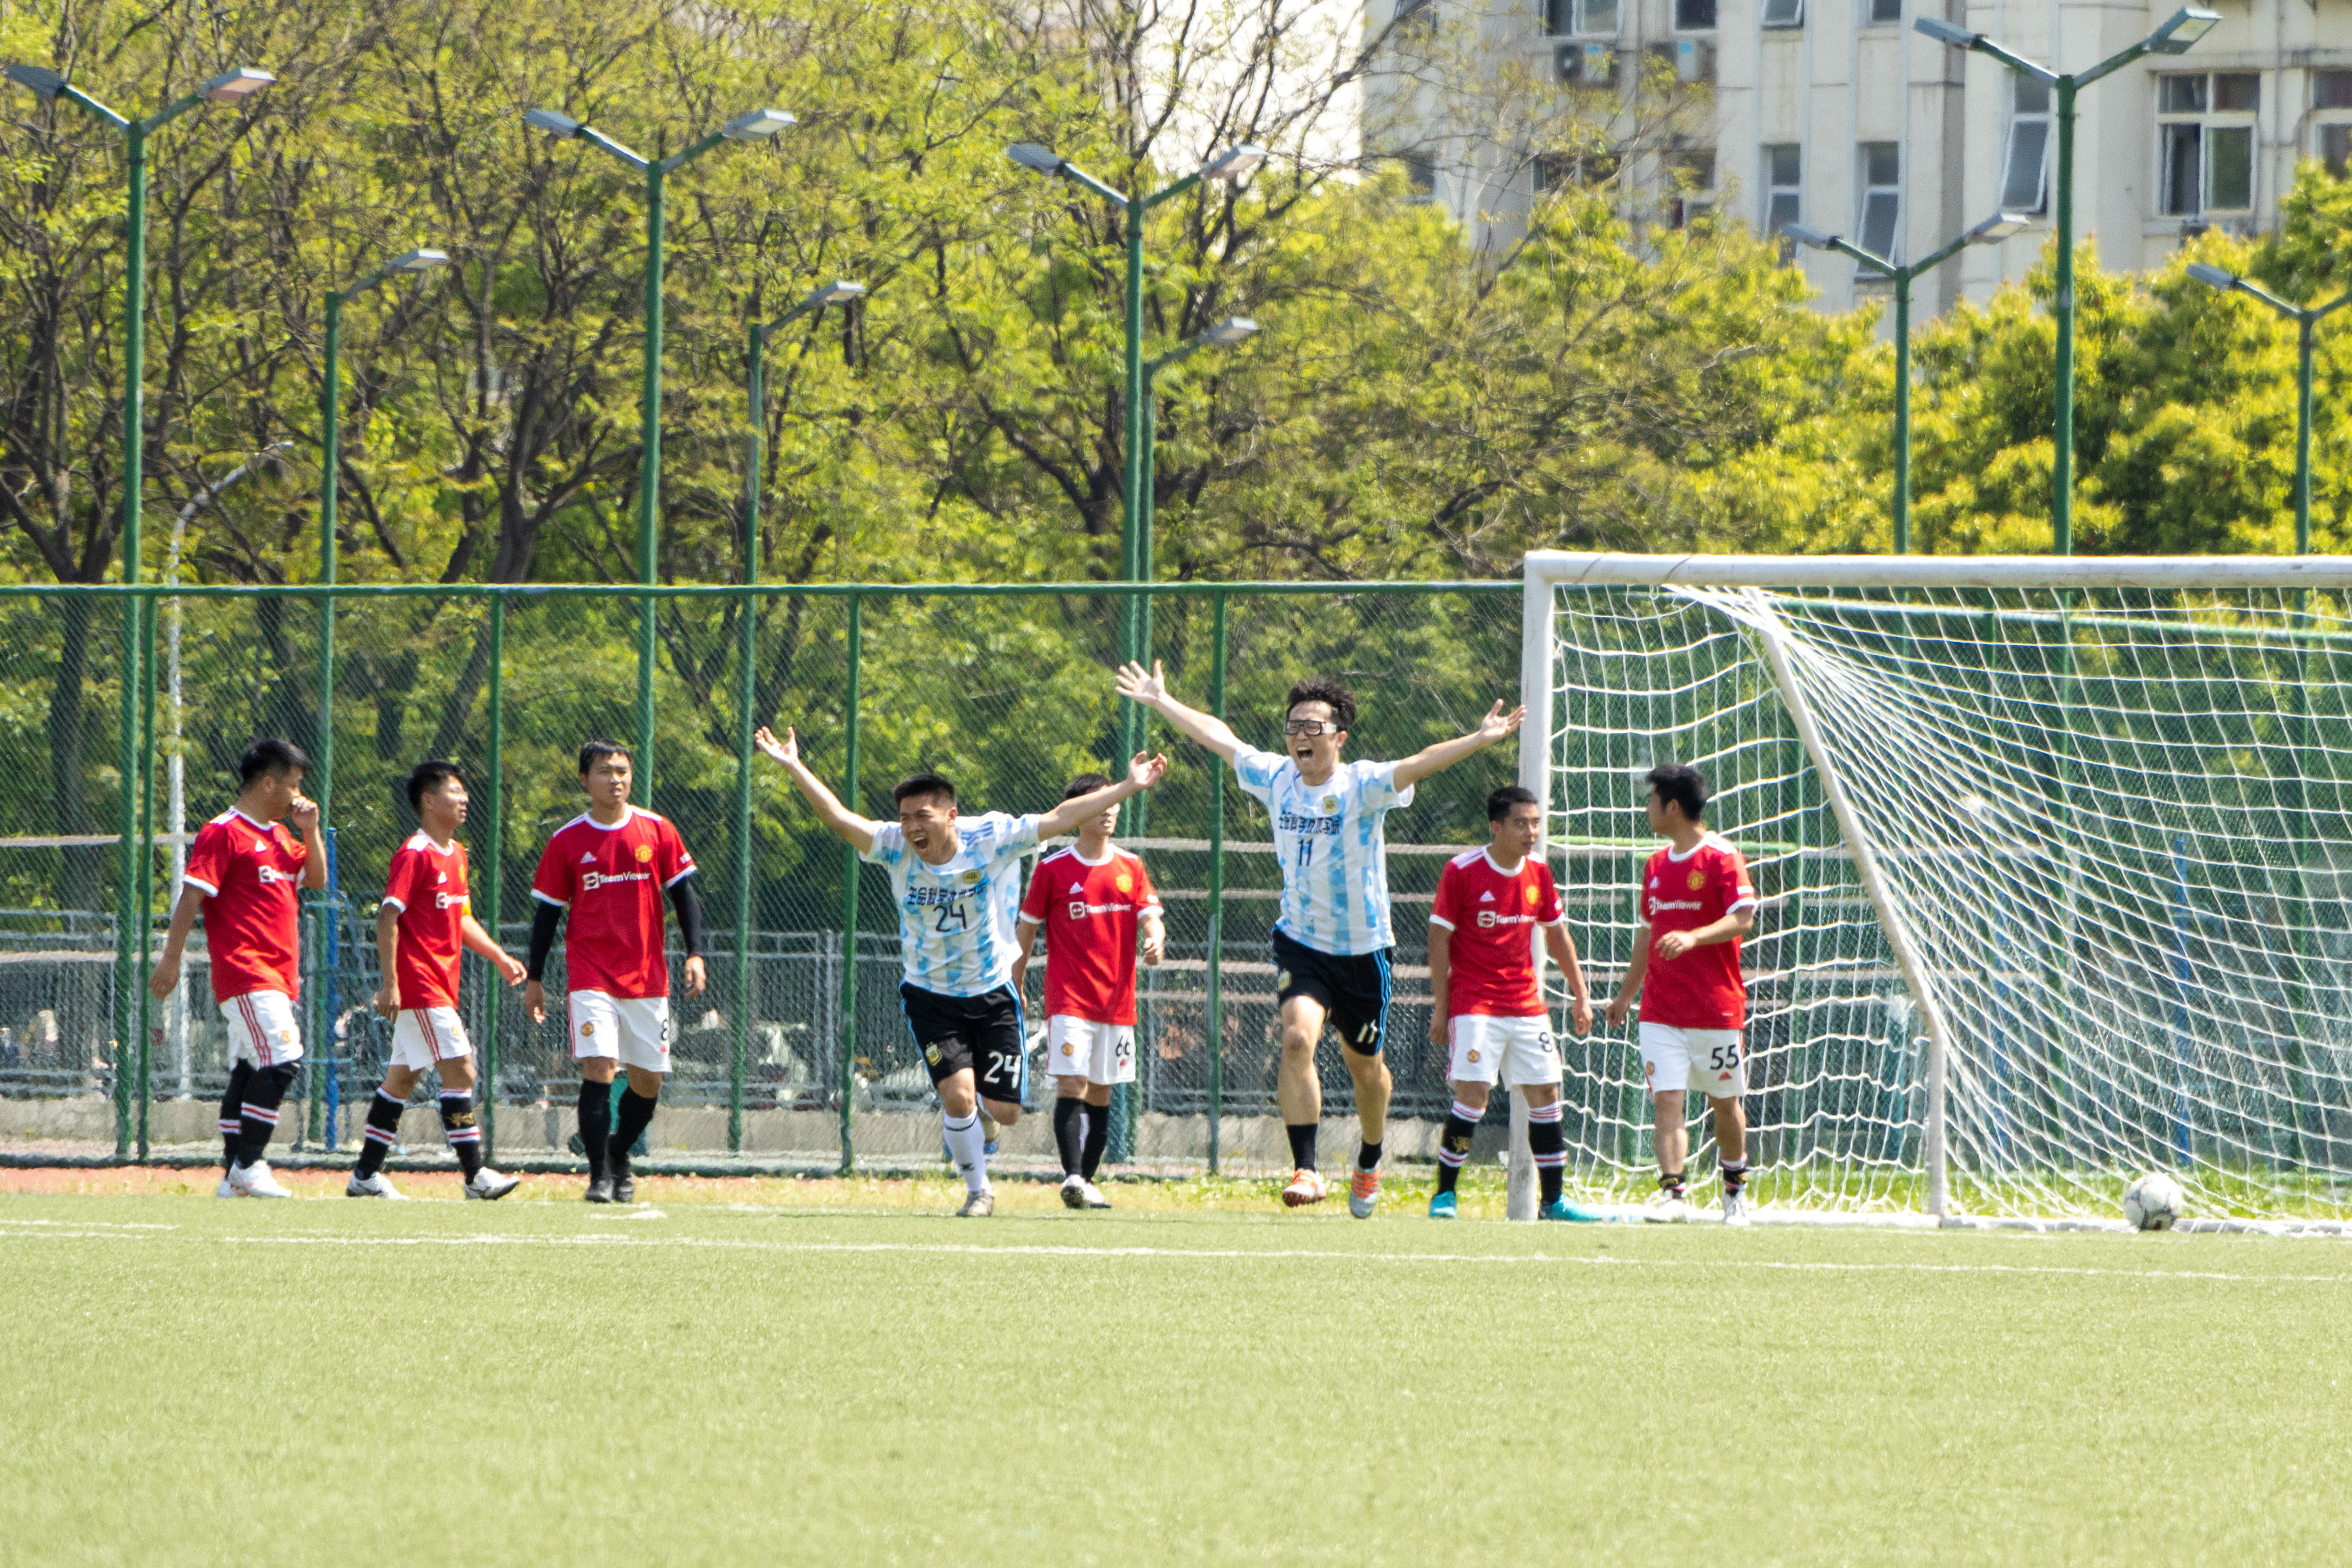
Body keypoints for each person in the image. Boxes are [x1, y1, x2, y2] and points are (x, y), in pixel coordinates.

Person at [1114, 660, 1523, 1217]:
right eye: (1293, 726)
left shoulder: (1363, 784)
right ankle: (1305, 1167)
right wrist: (1162, 701)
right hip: (1301, 942)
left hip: (1363, 951)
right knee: (1296, 1040)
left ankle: (1370, 1156)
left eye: (1313, 727)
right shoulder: (1276, 777)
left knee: (1366, 1069)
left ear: (1339, 737)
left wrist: (1479, 738)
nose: (1300, 736)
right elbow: (1223, 739)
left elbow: (1417, 764)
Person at [757, 725, 1165, 1217]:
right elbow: (839, 817)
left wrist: (1128, 786)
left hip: (992, 990)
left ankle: (981, 1128)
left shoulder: (991, 837)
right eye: (904, 817)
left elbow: (1061, 817)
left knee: (1004, 1112)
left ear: (951, 815)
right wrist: (794, 766)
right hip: (930, 995)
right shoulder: (894, 846)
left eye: (921, 816)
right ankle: (979, 1190)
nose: (910, 827)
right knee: (957, 1095)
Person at [524, 741, 707, 1204]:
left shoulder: (657, 830)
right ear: (585, 779)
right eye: (605, 771)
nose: (616, 779)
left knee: (648, 1083)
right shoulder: (567, 840)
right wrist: (536, 977)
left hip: (647, 976)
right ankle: (598, 1176)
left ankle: (617, 1151)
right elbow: (546, 914)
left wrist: (695, 952)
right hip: (591, 974)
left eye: (623, 770)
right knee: (599, 1069)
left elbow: (684, 894)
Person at [147, 738, 328, 1199]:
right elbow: (192, 897)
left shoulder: (282, 836)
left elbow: (318, 880)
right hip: (248, 971)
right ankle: (249, 1163)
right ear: (268, 783)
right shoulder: (224, 831)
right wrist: (171, 958)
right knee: (284, 1058)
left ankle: (232, 1176)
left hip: (281, 975)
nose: (297, 794)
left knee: (249, 1069)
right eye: (292, 785)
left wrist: (311, 830)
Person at [347, 761, 528, 1201]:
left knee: (401, 1082)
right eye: (454, 791)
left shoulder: (458, 854)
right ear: (428, 800)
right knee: (462, 1071)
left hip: (439, 986)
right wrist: (391, 983)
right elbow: (389, 916)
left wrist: (499, 955)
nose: (464, 798)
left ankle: (365, 1176)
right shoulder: (415, 853)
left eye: (464, 792)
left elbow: (461, 918)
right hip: (421, 985)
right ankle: (475, 1176)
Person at [1426, 784, 1595, 1221]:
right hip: (1475, 1003)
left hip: (1526, 1004)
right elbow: (1439, 938)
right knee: (1474, 1096)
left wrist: (1581, 994)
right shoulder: (1461, 870)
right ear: (1496, 826)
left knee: (1547, 1095)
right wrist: (1442, 1007)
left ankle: (1553, 1202)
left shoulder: (1539, 872)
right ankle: (1445, 1196)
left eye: (1536, 822)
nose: (1531, 831)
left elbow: (1557, 935)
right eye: (1521, 822)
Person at [1603, 763, 1759, 1225]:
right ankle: (1674, 1193)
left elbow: (1743, 918)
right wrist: (1627, 994)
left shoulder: (1722, 857)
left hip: (1714, 1009)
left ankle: (1734, 1191)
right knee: (1667, 1100)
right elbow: (1646, 937)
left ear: (1673, 806)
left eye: (1652, 800)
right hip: (1660, 1010)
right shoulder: (1654, 865)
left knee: (1724, 1104)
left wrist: (1693, 936)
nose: (1646, 808)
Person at [1009, 772, 1166, 1210]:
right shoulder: (1052, 869)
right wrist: (1017, 982)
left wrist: (1156, 937)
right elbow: (1027, 930)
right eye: (1099, 804)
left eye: (1114, 803)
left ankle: (1087, 1180)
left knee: (1102, 1091)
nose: (1110, 810)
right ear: (1077, 813)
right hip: (1070, 1000)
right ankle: (1073, 1174)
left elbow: (1151, 914)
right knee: (1072, 1083)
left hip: (1117, 1002)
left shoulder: (1131, 866)